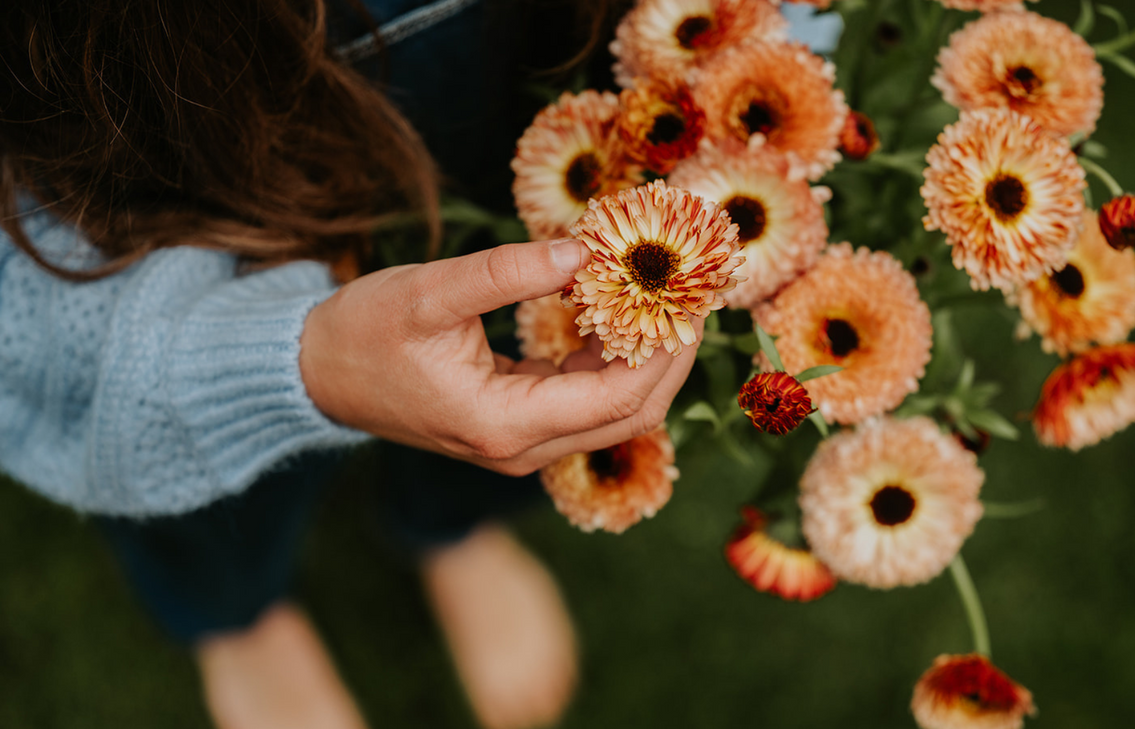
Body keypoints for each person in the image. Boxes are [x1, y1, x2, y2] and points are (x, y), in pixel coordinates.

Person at [0, 1, 693, 728]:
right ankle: (241, 617)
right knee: (199, 485)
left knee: (510, 364)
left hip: (517, 116)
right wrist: (282, 363)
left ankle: (452, 520)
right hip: (159, 203)